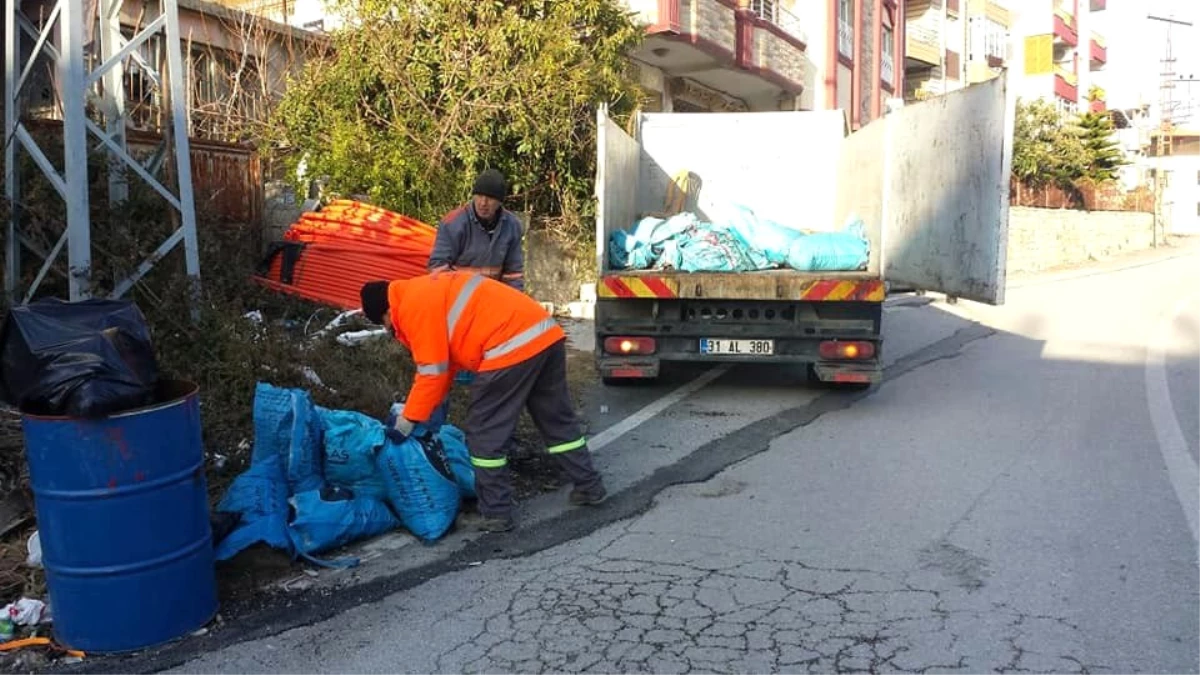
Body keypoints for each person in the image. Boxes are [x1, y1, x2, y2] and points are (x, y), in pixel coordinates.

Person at [359, 273, 606, 533]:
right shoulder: (424, 290)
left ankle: (496, 513)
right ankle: (589, 486)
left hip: (508, 348)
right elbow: (444, 368)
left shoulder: (410, 309)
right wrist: (427, 410)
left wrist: (408, 420)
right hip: (545, 336)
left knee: (484, 433)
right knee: (556, 419)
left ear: (386, 312)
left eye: (386, 325)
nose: (390, 330)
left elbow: (431, 371)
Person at [428, 169, 525, 290]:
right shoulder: (453, 223)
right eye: (479, 196)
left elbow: (513, 275)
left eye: (490, 198)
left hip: (492, 297)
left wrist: (512, 303)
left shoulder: (512, 226)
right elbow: (438, 269)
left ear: (500, 202)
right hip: (457, 295)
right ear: (473, 196)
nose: (483, 203)